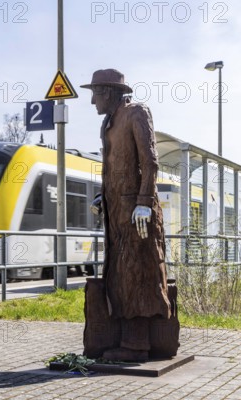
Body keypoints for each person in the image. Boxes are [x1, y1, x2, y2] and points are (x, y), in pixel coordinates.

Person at [81, 69, 171, 362]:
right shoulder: (109, 122)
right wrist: (104, 196)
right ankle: (125, 339)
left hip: (136, 214)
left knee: (138, 273)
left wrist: (144, 201)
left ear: (107, 92)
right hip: (118, 214)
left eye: (95, 93)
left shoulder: (136, 113)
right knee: (120, 274)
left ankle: (136, 345)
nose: (93, 100)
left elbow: (150, 162)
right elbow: (118, 167)